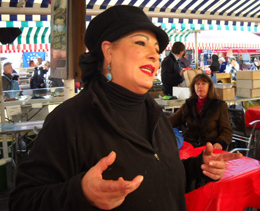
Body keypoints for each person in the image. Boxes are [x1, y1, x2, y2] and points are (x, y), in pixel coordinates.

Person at [9, 5, 242, 211]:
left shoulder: (156, 116)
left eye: (156, 49)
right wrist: (81, 194)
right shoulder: (70, 119)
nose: (154, 55)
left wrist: (198, 168)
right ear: (108, 51)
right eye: (141, 43)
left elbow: (162, 180)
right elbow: (23, 201)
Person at [168, 73, 232, 150]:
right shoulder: (188, 104)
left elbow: (226, 131)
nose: (200, 86)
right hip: (189, 145)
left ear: (209, 86)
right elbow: (173, 120)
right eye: (197, 84)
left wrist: (220, 143)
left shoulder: (219, 105)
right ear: (193, 87)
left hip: (209, 147)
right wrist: (158, 122)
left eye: (203, 83)